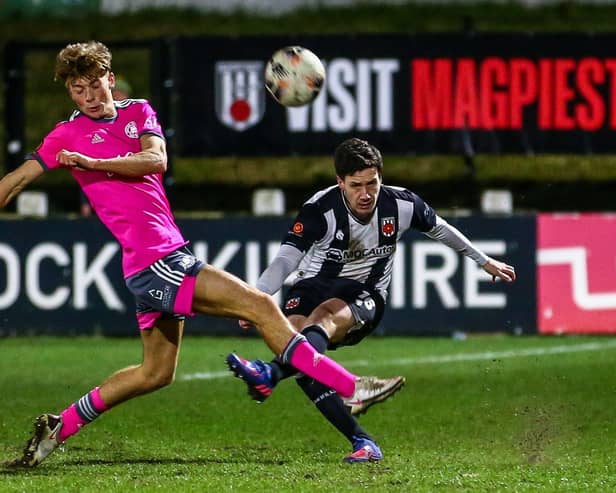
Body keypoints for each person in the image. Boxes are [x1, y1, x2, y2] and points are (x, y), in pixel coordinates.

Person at [2, 41, 385, 468]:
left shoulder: (138, 112)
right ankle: (348, 386)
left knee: (156, 373)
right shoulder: (65, 135)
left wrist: (91, 162)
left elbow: (155, 159)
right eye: (77, 89)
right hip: (155, 260)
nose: (89, 97)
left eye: (94, 85)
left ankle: (60, 425)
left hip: (160, 259)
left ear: (111, 79)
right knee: (260, 305)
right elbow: (16, 181)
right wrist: (73, 162)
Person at [226, 137, 517, 463]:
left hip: (364, 293)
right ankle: (362, 441)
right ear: (340, 183)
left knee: (322, 320)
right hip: (311, 285)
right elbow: (285, 260)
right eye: (356, 186)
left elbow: (441, 229)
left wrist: (484, 261)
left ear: (380, 177)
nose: (365, 194)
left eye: (372, 183)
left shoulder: (402, 205)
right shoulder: (319, 210)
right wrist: (257, 298)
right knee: (297, 351)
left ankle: (270, 375)